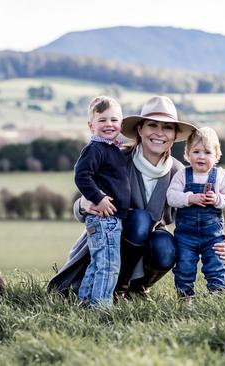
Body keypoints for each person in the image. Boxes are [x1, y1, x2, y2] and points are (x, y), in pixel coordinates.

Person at [48, 96, 225, 300]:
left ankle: (136, 289)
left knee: (165, 245)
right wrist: (83, 204)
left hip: (148, 247)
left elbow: (201, 211)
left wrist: (220, 239)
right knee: (139, 219)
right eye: (152, 125)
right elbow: (82, 199)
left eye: (167, 127)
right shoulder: (117, 158)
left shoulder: (179, 172)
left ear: (174, 135)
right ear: (140, 129)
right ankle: (114, 288)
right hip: (110, 241)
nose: (159, 133)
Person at [167, 127, 225, 298]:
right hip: (185, 236)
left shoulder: (220, 176)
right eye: (196, 151)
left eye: (207, 152)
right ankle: (185, 296)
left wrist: (217, 199)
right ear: (187, 154)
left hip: (212, 235)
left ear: (216, 156)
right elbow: (171, 197)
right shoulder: (182, 175)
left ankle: (217, 294)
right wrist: (189, 198)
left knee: (215, 266)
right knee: (184, 267)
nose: (201, 156)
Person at [74, 96, 130, 307]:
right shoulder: (95, 149)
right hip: (104, 218)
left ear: (121, 124)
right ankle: (101, 308)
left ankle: (85, 302)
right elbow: (81, 176)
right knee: (109, 265)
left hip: (112, 219)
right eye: (102, 120)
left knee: (98, 263)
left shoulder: (112, 149)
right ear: (91, 125)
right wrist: (98, 198)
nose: (109, 125)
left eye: (114, 120)